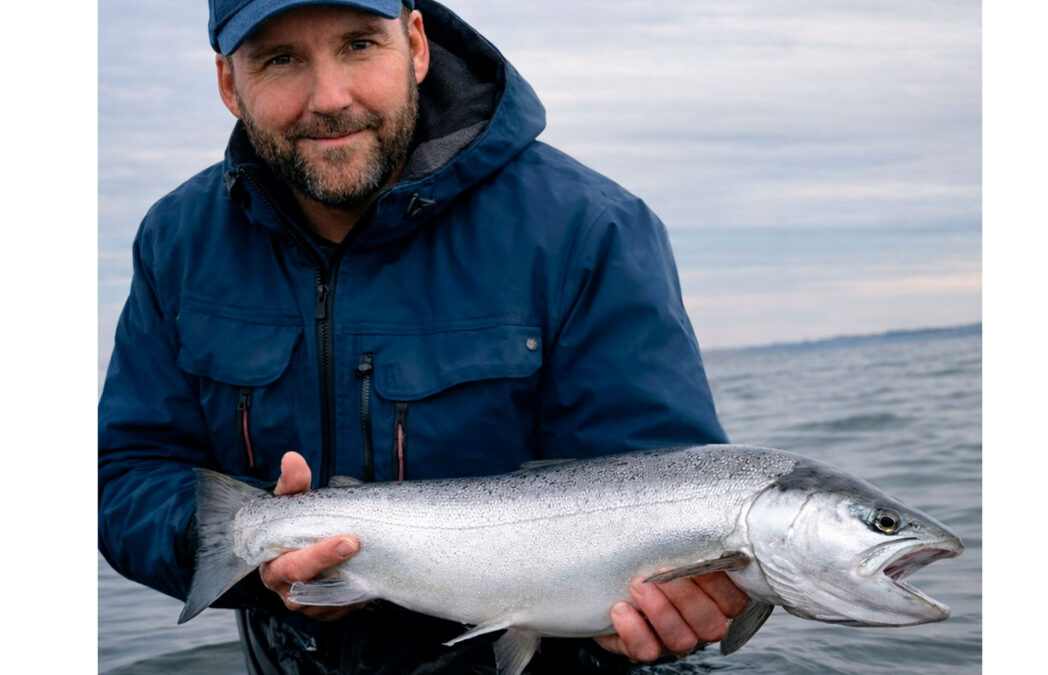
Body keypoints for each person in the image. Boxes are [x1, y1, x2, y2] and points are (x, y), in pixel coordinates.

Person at [98, 1, 749, 672]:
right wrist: (250, 552)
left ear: (415, 45)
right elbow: (124, 476)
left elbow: (671, 495)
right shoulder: (176, 241)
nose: (330, 98)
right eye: (281, 59)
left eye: (358, 45)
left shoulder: (590, 230)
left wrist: (643, 608)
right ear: (230, 84)